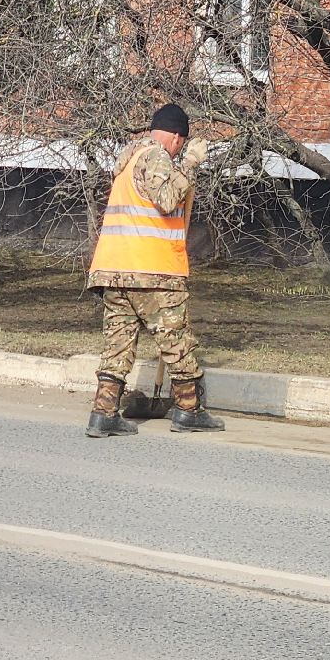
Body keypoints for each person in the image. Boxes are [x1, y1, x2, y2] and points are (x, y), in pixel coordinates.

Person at [83, 102, 226, 437]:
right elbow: (166, 199)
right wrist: (189, 164)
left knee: (118, 345)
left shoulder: (130, 158)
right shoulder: (158, 156)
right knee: (176, 340)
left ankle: (103, 414)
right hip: (151, 271)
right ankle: (189, 410)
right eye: (181, 146)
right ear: (176, 138)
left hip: (114, 269)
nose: (178, 151)